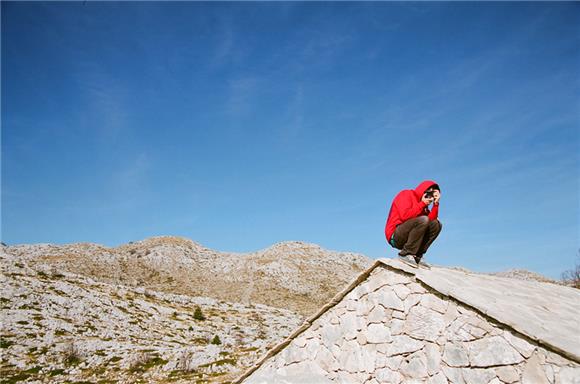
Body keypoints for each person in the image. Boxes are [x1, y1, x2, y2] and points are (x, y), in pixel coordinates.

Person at [385, 180, 442, 267]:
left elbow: (431, 223)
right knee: (423, 219)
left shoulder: (424, 208)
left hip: (411, 237)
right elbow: (404, 216)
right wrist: (422, 203)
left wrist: (436, 203)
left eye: (432, 195)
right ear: (423, 189)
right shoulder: (406, 194)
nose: (430, 196)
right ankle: (405, 254)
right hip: (395, 235)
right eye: (428, 192)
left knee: (437, 224)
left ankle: (417, 256)